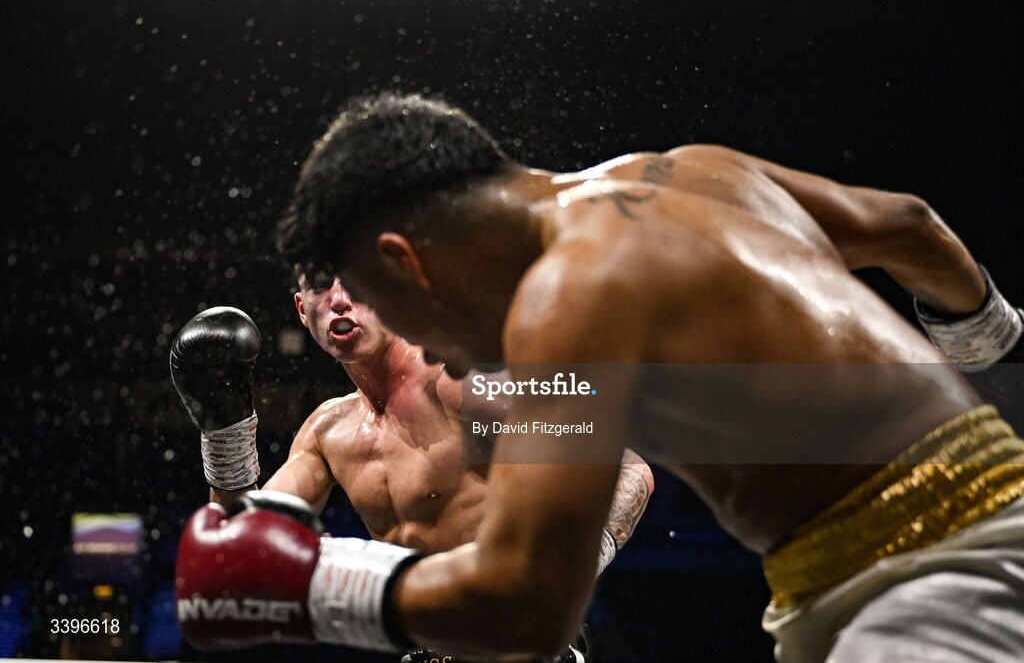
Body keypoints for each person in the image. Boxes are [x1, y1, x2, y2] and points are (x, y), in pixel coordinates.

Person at [177, 93, 1024, 662]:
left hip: (939, 565)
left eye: (398, 305)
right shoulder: (695, 169)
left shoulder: (560, 307)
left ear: (406, 260)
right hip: (882, 559)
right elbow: (909, 229)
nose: (447, 353)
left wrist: (310, 584)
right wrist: (990, 348)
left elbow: (534, 609)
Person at [169, 273, 654, 662]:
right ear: (302, 310)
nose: (339, 300)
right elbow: (239, 555)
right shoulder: (326, 432)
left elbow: (629, 469)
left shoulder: (467, 386)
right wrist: (225, 431)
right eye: (320, 284)